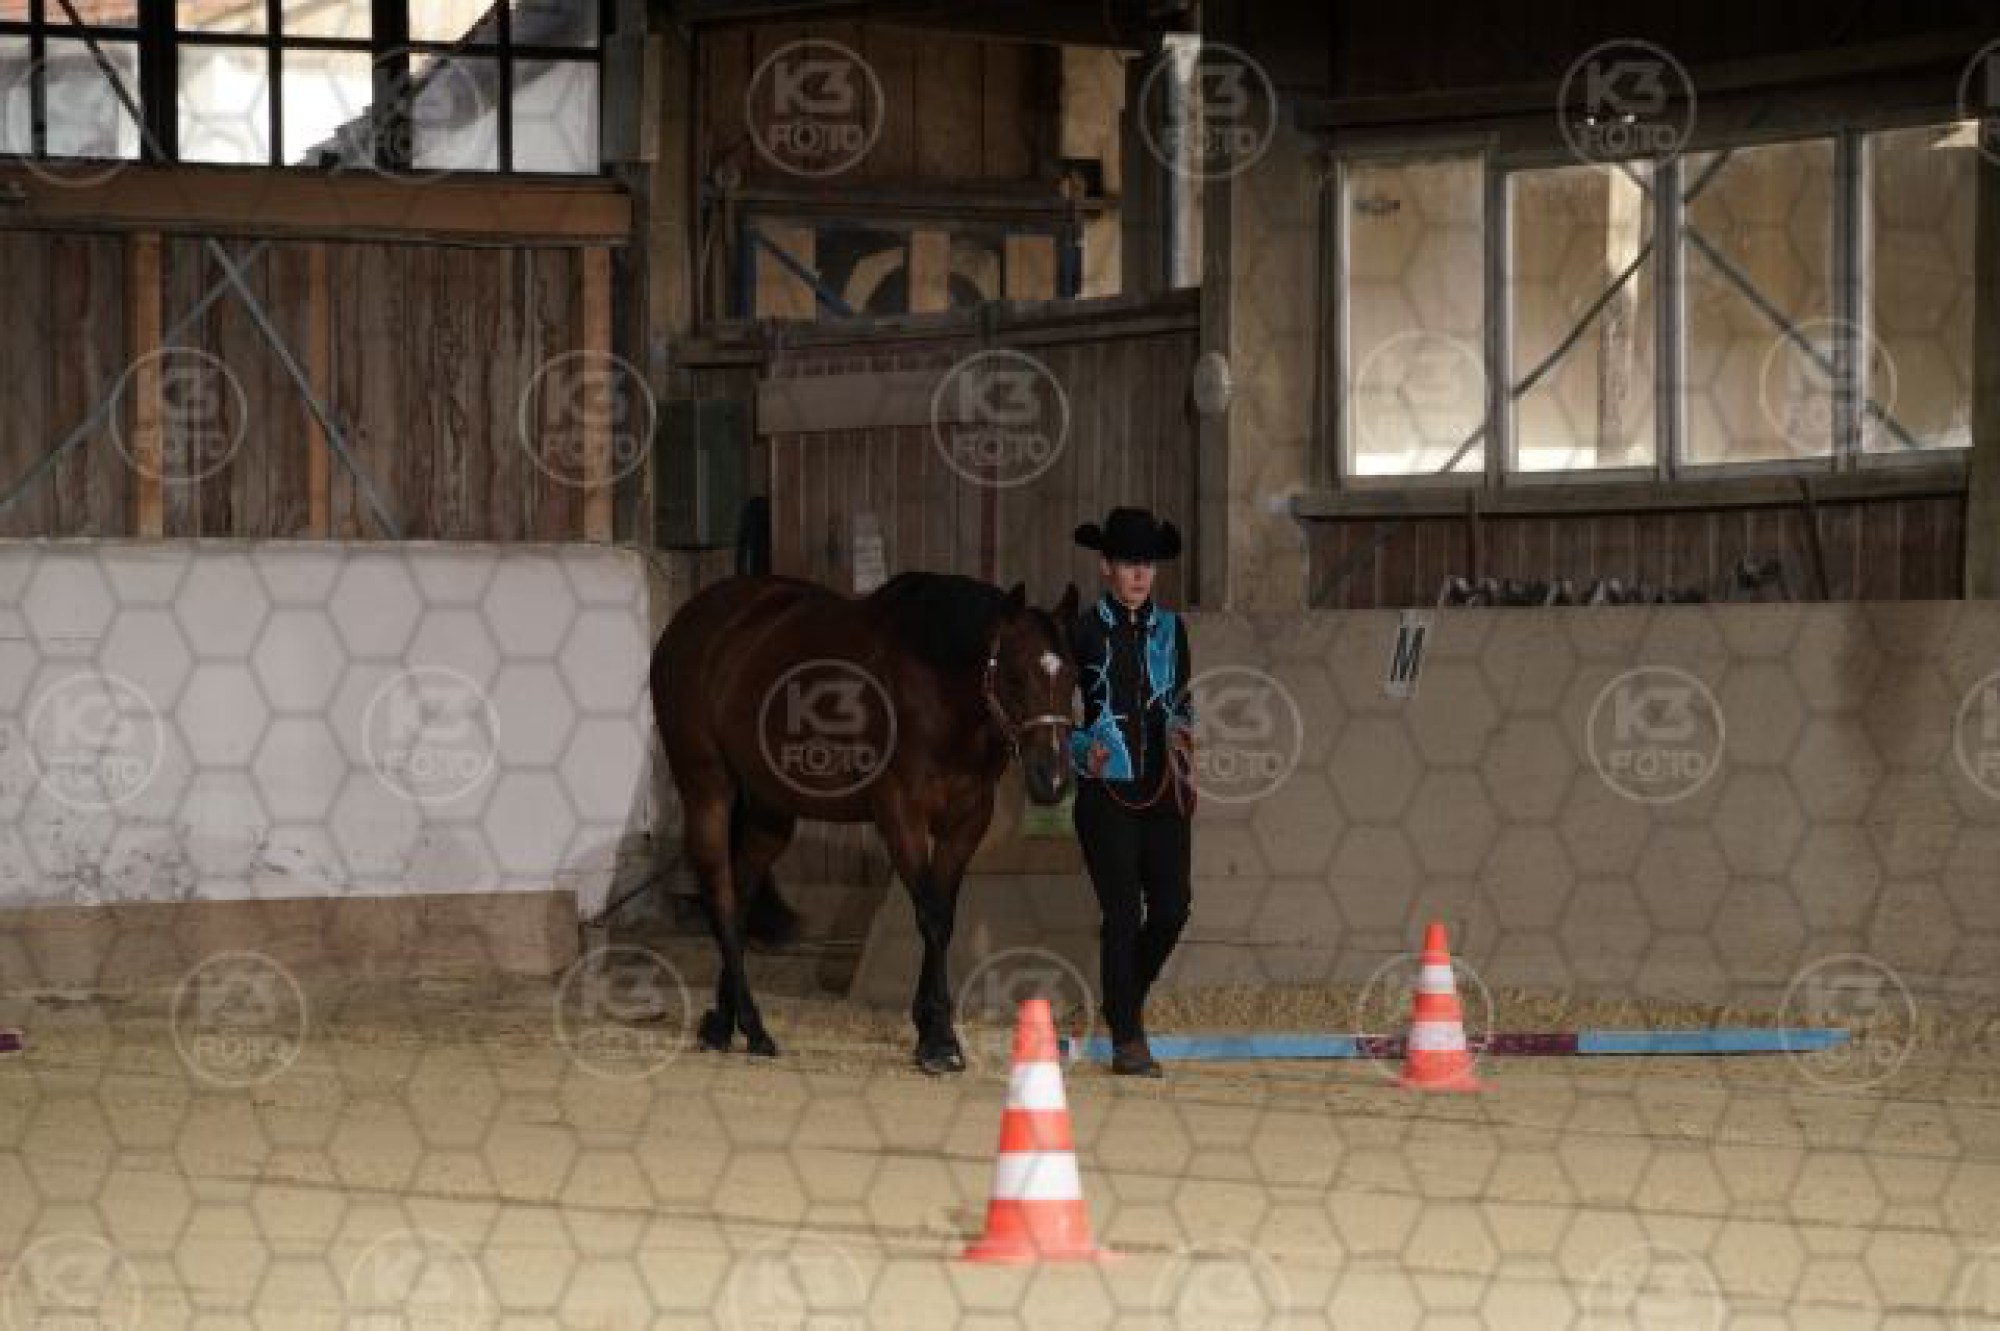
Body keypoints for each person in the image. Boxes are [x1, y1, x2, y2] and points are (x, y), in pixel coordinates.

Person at [1068, 507, 1196, 1077]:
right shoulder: (1082, 631)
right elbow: (1055, 713)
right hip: (1107, 794)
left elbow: (1184, 700)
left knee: (1171, 909)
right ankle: (1128, 1039)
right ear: (1106, 567)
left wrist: (1186, 746)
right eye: (1128, 563)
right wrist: (1081, 750)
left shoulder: (1172, 629)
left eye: (1147, 564)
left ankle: (1122, 1002)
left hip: (1165, 791)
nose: (1140, 574)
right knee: (1122, 913)